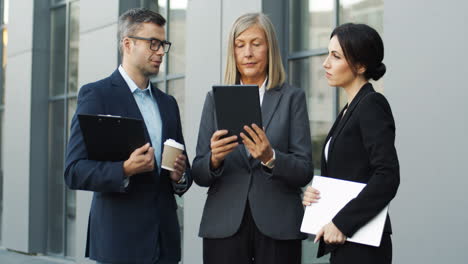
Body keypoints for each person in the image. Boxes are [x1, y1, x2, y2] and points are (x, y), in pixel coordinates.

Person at [64, 8, 192, 264]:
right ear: (128, 44)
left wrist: (180, 176)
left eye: (163, 44)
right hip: (119, 244)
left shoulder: (168, 104)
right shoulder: (97, 95)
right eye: (152, 43)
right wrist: (124, 169)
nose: (160, 52)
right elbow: (74, 171)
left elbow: (182, 172)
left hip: (164, 245)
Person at [192, 13, 313, 264]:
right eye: (240, 45)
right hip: (224, 224)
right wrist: (214, 160)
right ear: (233, 52)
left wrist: (271, 157)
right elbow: (199, 173)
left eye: (256, 44)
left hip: (278, 225)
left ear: (270, 48)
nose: (247, 53)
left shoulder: (292, 98)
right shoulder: (214, 99)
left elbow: (304, 171)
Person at [302, 23, 400, 264]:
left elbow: (387, 176)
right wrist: (317, 195)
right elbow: (350, 172)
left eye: (335, 56)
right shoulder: (349, 109)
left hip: (363, 243)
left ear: (360, 65)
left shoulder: (372, 104)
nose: (326, 63)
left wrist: (342, 222)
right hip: (346, 240)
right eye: (328, 54)